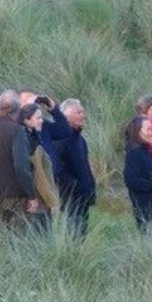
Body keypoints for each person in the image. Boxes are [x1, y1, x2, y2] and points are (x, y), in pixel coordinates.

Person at [0, 91, 38, 233]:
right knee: (18, 241)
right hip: (15, 195)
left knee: (2, 238)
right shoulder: (16, 130)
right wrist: (31, 195)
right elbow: (21, 167)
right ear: (17, 109)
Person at [54, 98, 96, 238]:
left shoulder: (80, 139)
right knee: (72, 235)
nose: (83, 115)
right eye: (79, 112)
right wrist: (76, 187)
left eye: (82, 112)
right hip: (69, 199)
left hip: (83, 198)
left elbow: (84, 167)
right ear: (66, 115)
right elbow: (58, 171)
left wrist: (90, 188)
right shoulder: (59, 139)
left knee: (81, 234)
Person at [19, 103, 59, 232]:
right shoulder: (33, 143)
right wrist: (52, 202)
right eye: (38, 118)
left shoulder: (28, 138)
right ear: (26, 120)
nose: (42, 121)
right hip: (39, 202)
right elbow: (40, 177)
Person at [18, 88, 72, 181]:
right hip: (41, 181)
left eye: (34, 100)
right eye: (28, 101)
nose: (33, 104)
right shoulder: (18, 130)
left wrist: (54, 110)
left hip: (56, 178)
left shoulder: (42, 123)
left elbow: (65, 131)